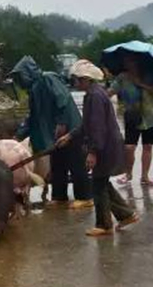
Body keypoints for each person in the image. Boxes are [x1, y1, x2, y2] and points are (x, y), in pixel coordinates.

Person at [56, 60, 139, 237]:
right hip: (107, 143)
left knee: (98, 185)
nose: (75, 83)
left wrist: (93, 152)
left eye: (76, 80)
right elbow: (86, 124)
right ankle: (126, 214)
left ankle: (104, 225)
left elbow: (97, 127)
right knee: (102, 183)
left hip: (104, 146)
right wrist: (70, 136)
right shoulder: (94, 94)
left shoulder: (94, 96)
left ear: (86, 79)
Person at [10, 56, 93, 209]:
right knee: (58, 165)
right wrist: (19, 135)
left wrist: (62, 122)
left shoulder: (47, 79)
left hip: (70, 129)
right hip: (55, 134)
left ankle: (85, 197)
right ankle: (59, 197)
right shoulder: (34, 90)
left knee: (76, 164)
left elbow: (62, 99)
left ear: (28, 73)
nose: (19, 81)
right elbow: (33, 117)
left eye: (20, 77)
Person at [108, 53, 153, 187]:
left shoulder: (149, 75)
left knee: (147, 146)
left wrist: (141, 84)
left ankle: (145, 176)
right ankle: (128, 173)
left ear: (137, 62)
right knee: (129, 147)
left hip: (150, 116)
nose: (128, 64)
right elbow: (111, 91)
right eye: (126, 62)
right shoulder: (122, 77)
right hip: (132, 115)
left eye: (131, 61)